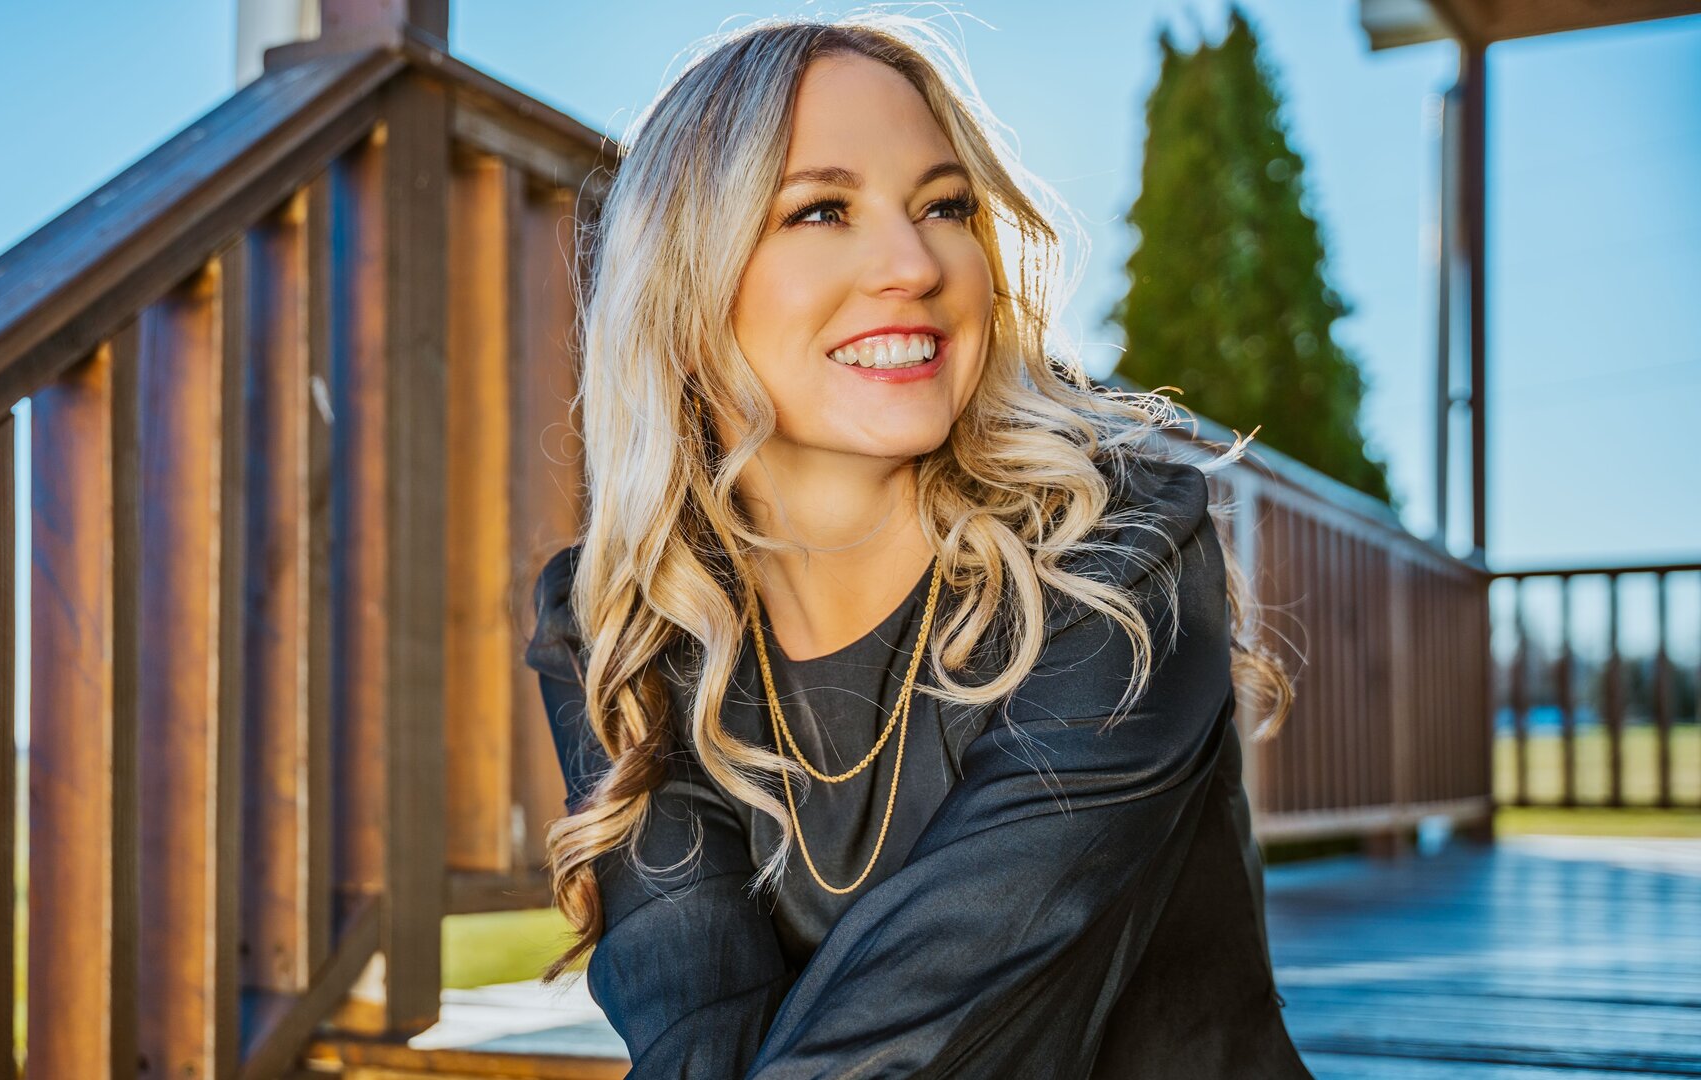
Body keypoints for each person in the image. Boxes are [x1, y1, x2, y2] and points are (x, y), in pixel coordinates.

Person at [520, 14, 1314, 1080]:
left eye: (945, 207)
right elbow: (694, 1025)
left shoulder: (1122, 562)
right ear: (684, 287)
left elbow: (920, 1038)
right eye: (821, 210)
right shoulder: (618, 627)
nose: (913, 264)